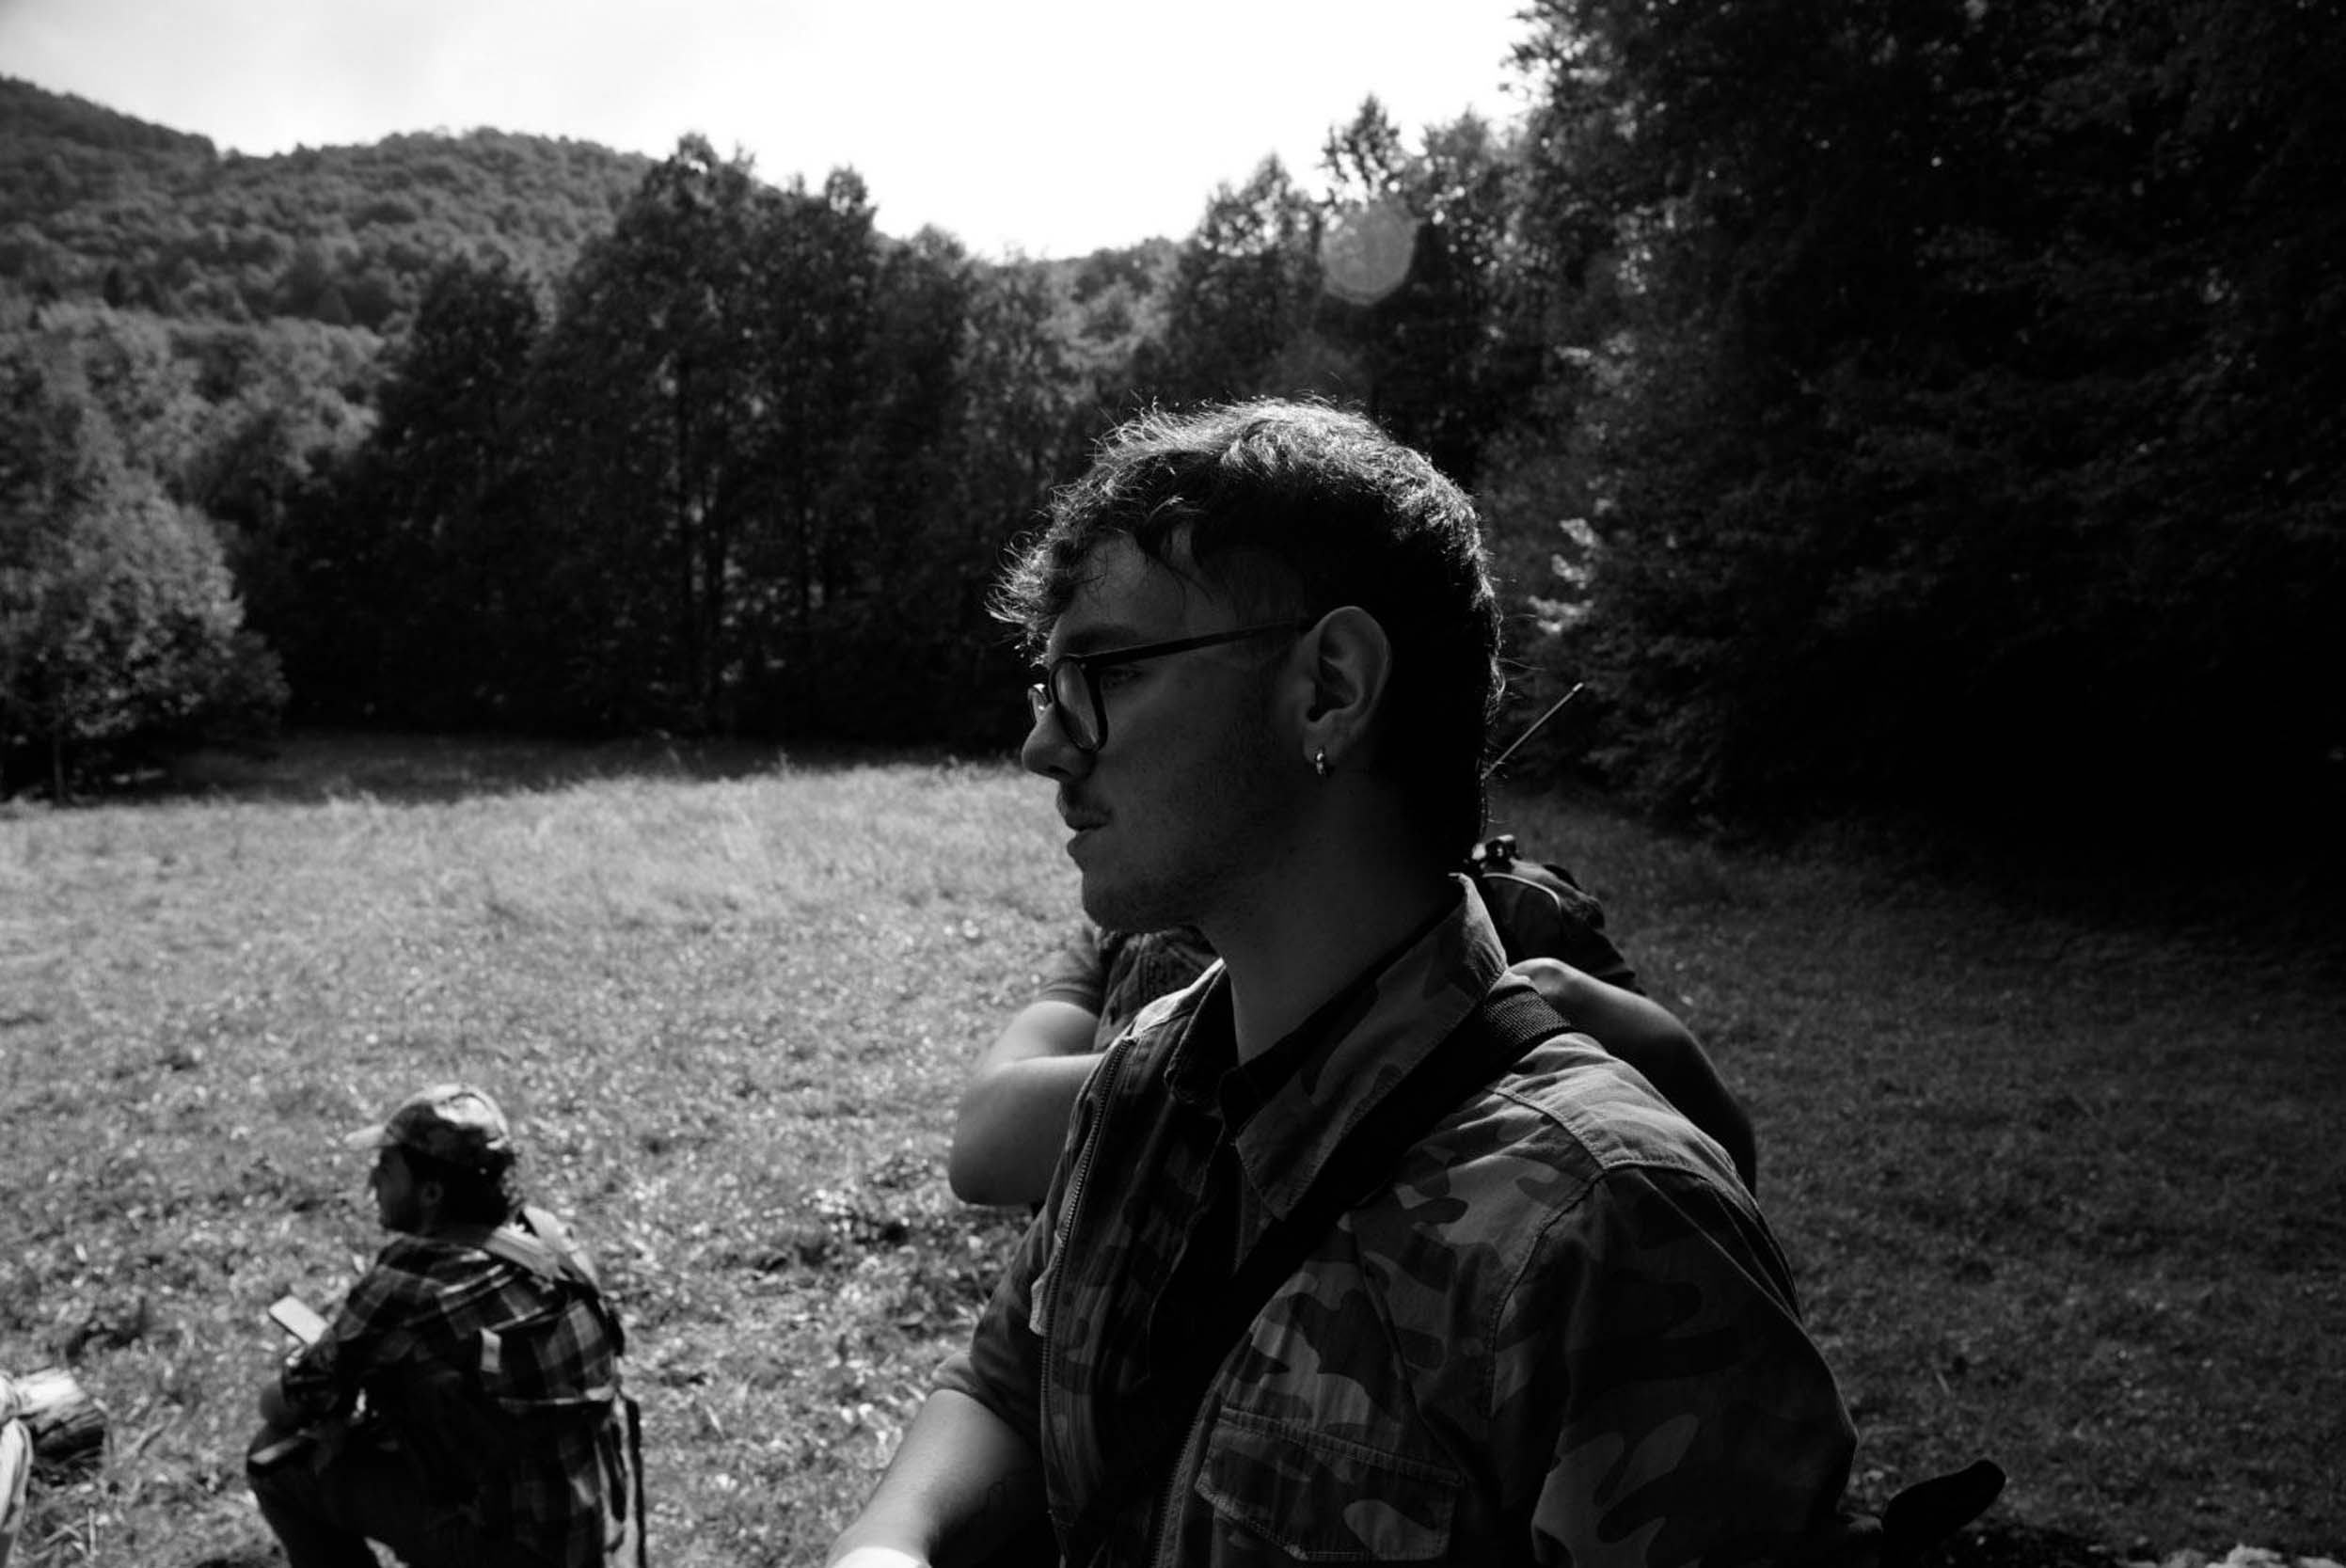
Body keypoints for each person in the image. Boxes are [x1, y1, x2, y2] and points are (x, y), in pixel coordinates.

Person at [825, 400, 1882, 1568]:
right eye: (1050, 684)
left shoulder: (1609, 1229)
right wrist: (892, 1540)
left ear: (1329, 684)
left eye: (1106, 670)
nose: (1045, 745)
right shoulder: (1143, 1083)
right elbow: (1010, 1378)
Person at [947, 845, 1762, 1208]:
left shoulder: (1524, 913)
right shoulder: (1129, 934)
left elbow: (1713, 1155)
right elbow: (985, 1146)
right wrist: (1286, 1036)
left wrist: (1532, 1008)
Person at [247, 1083, 642, 1568]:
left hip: (513, 1548)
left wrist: (305, 1370)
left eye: (386, 1168)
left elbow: (286, 1404)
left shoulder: (415, 1278)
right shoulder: (553, 1242)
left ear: (431, 1192)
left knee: (275, 1460)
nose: (372, 1182)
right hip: (593, 1532)